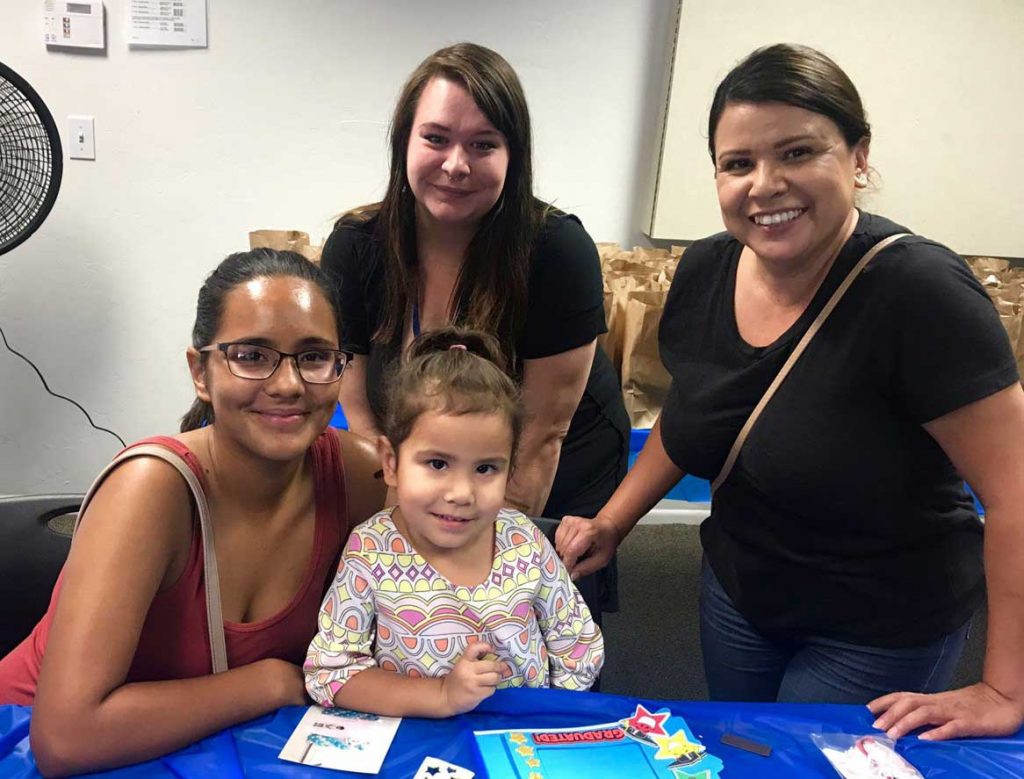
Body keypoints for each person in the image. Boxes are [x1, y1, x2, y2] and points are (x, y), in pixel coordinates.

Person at [556, 43, 1024, 741]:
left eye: (798, 153)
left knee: (805, 761)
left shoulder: (920, 294)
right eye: (738, 163)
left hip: (878, 626)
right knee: (743, 750)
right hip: (741, 596)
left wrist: (1005, 688)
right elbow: (695, 418)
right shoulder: (708, 269)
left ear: (859, 157)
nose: (765, 184)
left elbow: (1016, 490)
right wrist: (613, 522)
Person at [0, 249, 387, 776]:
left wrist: (539, 539)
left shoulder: (357, 475)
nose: (289, 384)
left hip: (215, 744)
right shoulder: (151, 490)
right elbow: (65, 739)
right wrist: (272, 680)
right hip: (27, 741)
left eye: (314, 356)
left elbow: (469, 522)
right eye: (252, 355)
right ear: (200, 372)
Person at [319, 42, 629, 626]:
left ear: (514, 155)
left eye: (483, 144)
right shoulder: (356, 246)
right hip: (429, 456)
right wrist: (402, 549)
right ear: (404, 143)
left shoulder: (556, 251)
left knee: (523, 633)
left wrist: (482, 581)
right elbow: (360, 415)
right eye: (436, 138)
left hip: (551, 461)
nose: (456, 164)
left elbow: (541, 433)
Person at [304, 328, 603, 717]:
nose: (462, 492)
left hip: (517, 743)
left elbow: (577, 649)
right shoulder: (370, 550)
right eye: (438, 463)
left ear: (510, 469)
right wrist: (443, 696)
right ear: (391, 463)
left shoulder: (524, 542)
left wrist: (551, 729)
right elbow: (332, 672)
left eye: (485, 468)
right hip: (415, 740)